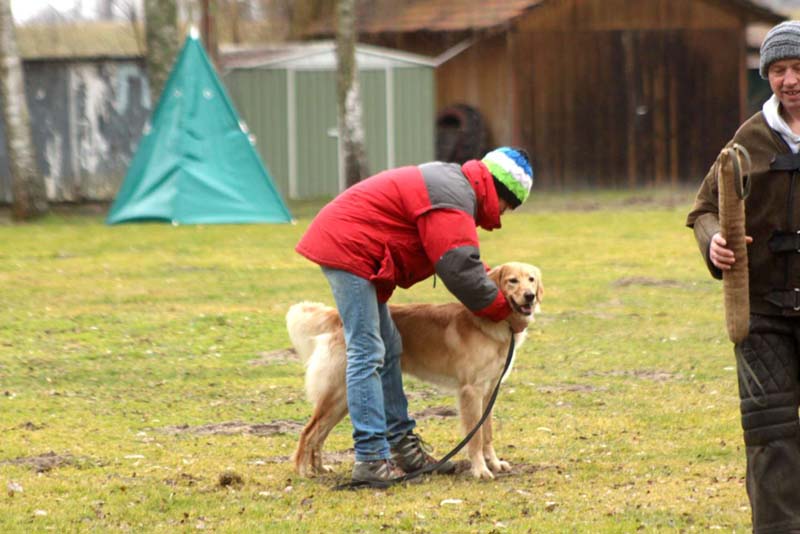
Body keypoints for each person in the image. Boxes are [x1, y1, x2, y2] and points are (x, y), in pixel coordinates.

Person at [295, 147, 533, 487]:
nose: (504, 214)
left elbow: (457, 255)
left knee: (389, 343)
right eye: (509, 206)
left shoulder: (456, 188)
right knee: (367, 350)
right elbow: (458, 268)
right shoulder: (453, 196)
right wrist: (503, 312)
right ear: (500, 192)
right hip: (349, 247)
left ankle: (403, 448)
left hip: (354, 245)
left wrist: (488, 285)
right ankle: (372, 460)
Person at [686, 21, 800, 532]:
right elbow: (704, 209)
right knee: (770, 435)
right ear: (767, 77)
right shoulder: (749, 139)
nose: (790, 80)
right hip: (763, 314)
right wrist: (712, 241)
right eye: (778, 70)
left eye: (798, 68)